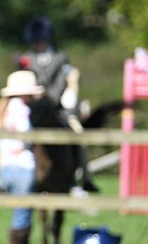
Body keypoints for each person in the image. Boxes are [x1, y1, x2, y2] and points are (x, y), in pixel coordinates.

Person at [19, 17, 95, 193]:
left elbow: (62, 82)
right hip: (34, 108)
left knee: (79, 134)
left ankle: (84, 177)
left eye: (41, 40)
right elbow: (25, 80)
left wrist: (49, 100)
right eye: (36, 41)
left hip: (57, 107)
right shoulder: (27, 59)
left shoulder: (61, 58)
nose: (38, 43)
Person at [0, 70, 42, 244]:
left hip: (6, 166)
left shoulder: (3, 110)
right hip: (23, 165)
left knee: (19, 210)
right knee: (23, 212)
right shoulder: (22, 108)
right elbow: (26, 135)